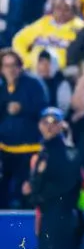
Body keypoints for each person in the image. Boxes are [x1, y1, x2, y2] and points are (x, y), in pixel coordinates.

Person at [26, 107, 84, 249]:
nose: (50, 127)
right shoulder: (45, 152)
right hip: (51, 216)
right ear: (39, 125)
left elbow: (69, 185)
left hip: (62, 216)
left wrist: (38, 194)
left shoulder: (65, 152)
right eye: (46, 122)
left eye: (54, 123)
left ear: (62, 126)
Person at [0, 49, 49, 209]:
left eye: (14, 65)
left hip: (30, 150)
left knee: (26, 194)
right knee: (4, 195)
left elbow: (44, 108)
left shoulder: (33, 83)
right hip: (5, 149)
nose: (10, 69)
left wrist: (23, 107)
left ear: (20, 66)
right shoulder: (1, 86)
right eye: (6, 66)